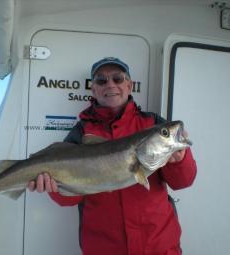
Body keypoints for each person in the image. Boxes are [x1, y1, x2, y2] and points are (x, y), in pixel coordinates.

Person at [28, 57, 197, 255]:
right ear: (93, 89)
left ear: (129, 85)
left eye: (118, 78)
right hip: (104, 248)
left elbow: (183, 181)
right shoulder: (80, 133)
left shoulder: (154, 124)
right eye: (101, 80)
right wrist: (53, 187)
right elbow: (69, 199)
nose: (111, 84)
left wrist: (179, 161)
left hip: (159, 246)